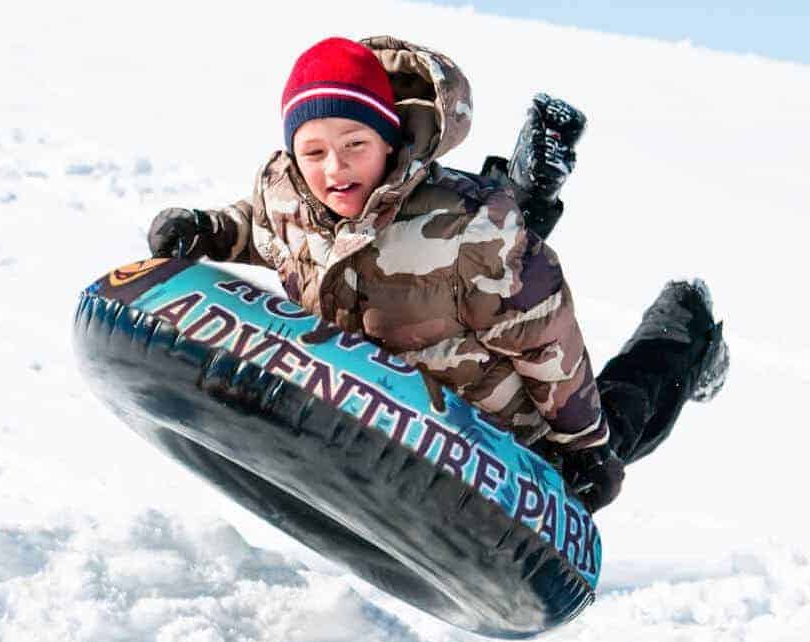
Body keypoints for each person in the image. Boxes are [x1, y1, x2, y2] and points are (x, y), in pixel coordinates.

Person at [147, 36, 728, 512]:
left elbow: (544, 334)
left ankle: (687, 326)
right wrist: (208, 230)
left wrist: (585, 445)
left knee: (614, 418)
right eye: (314, 151)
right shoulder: (286, 196)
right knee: (471, 258)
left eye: (356, 144)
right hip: (396, 371)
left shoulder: (468, 233)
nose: (336, 166)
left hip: (494, 424)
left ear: (391, 140)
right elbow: (264, 229)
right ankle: (524, 192)